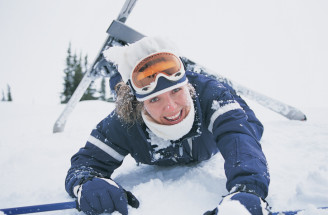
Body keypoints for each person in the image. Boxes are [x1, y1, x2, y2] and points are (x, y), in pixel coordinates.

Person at [65, 36, 271, 215]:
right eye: (154, 99)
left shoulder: (212, 96)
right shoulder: (124, 120)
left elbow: (239, 138)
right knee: (122, 91)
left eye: (176, 91)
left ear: (186, 85)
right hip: (132, 94)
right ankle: (115, 70)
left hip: (211, 91)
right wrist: (86, 183)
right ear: (140, 104)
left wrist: (248, 189)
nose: (171, 108)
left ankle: (188, 71)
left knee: (252, 127)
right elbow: (84, 164)